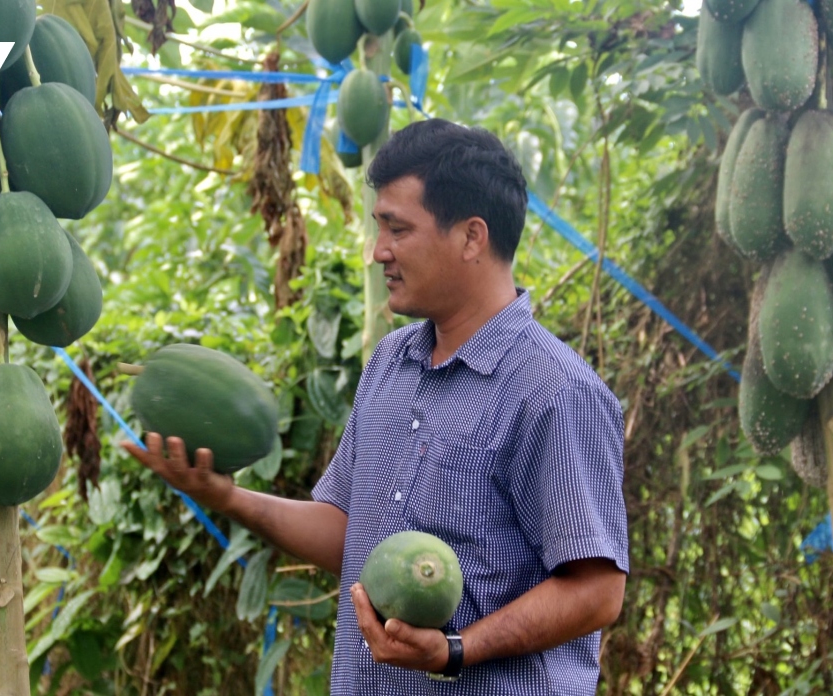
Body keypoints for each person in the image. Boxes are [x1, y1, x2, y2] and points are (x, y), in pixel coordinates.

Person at [122, 118, 629, 694]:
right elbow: (351, 534)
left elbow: (597, 590)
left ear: (471, 237)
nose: (378, 251)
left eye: (397, 229)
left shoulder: (556, 390)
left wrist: (455, 651)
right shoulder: (391, 362)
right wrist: (227, 497)